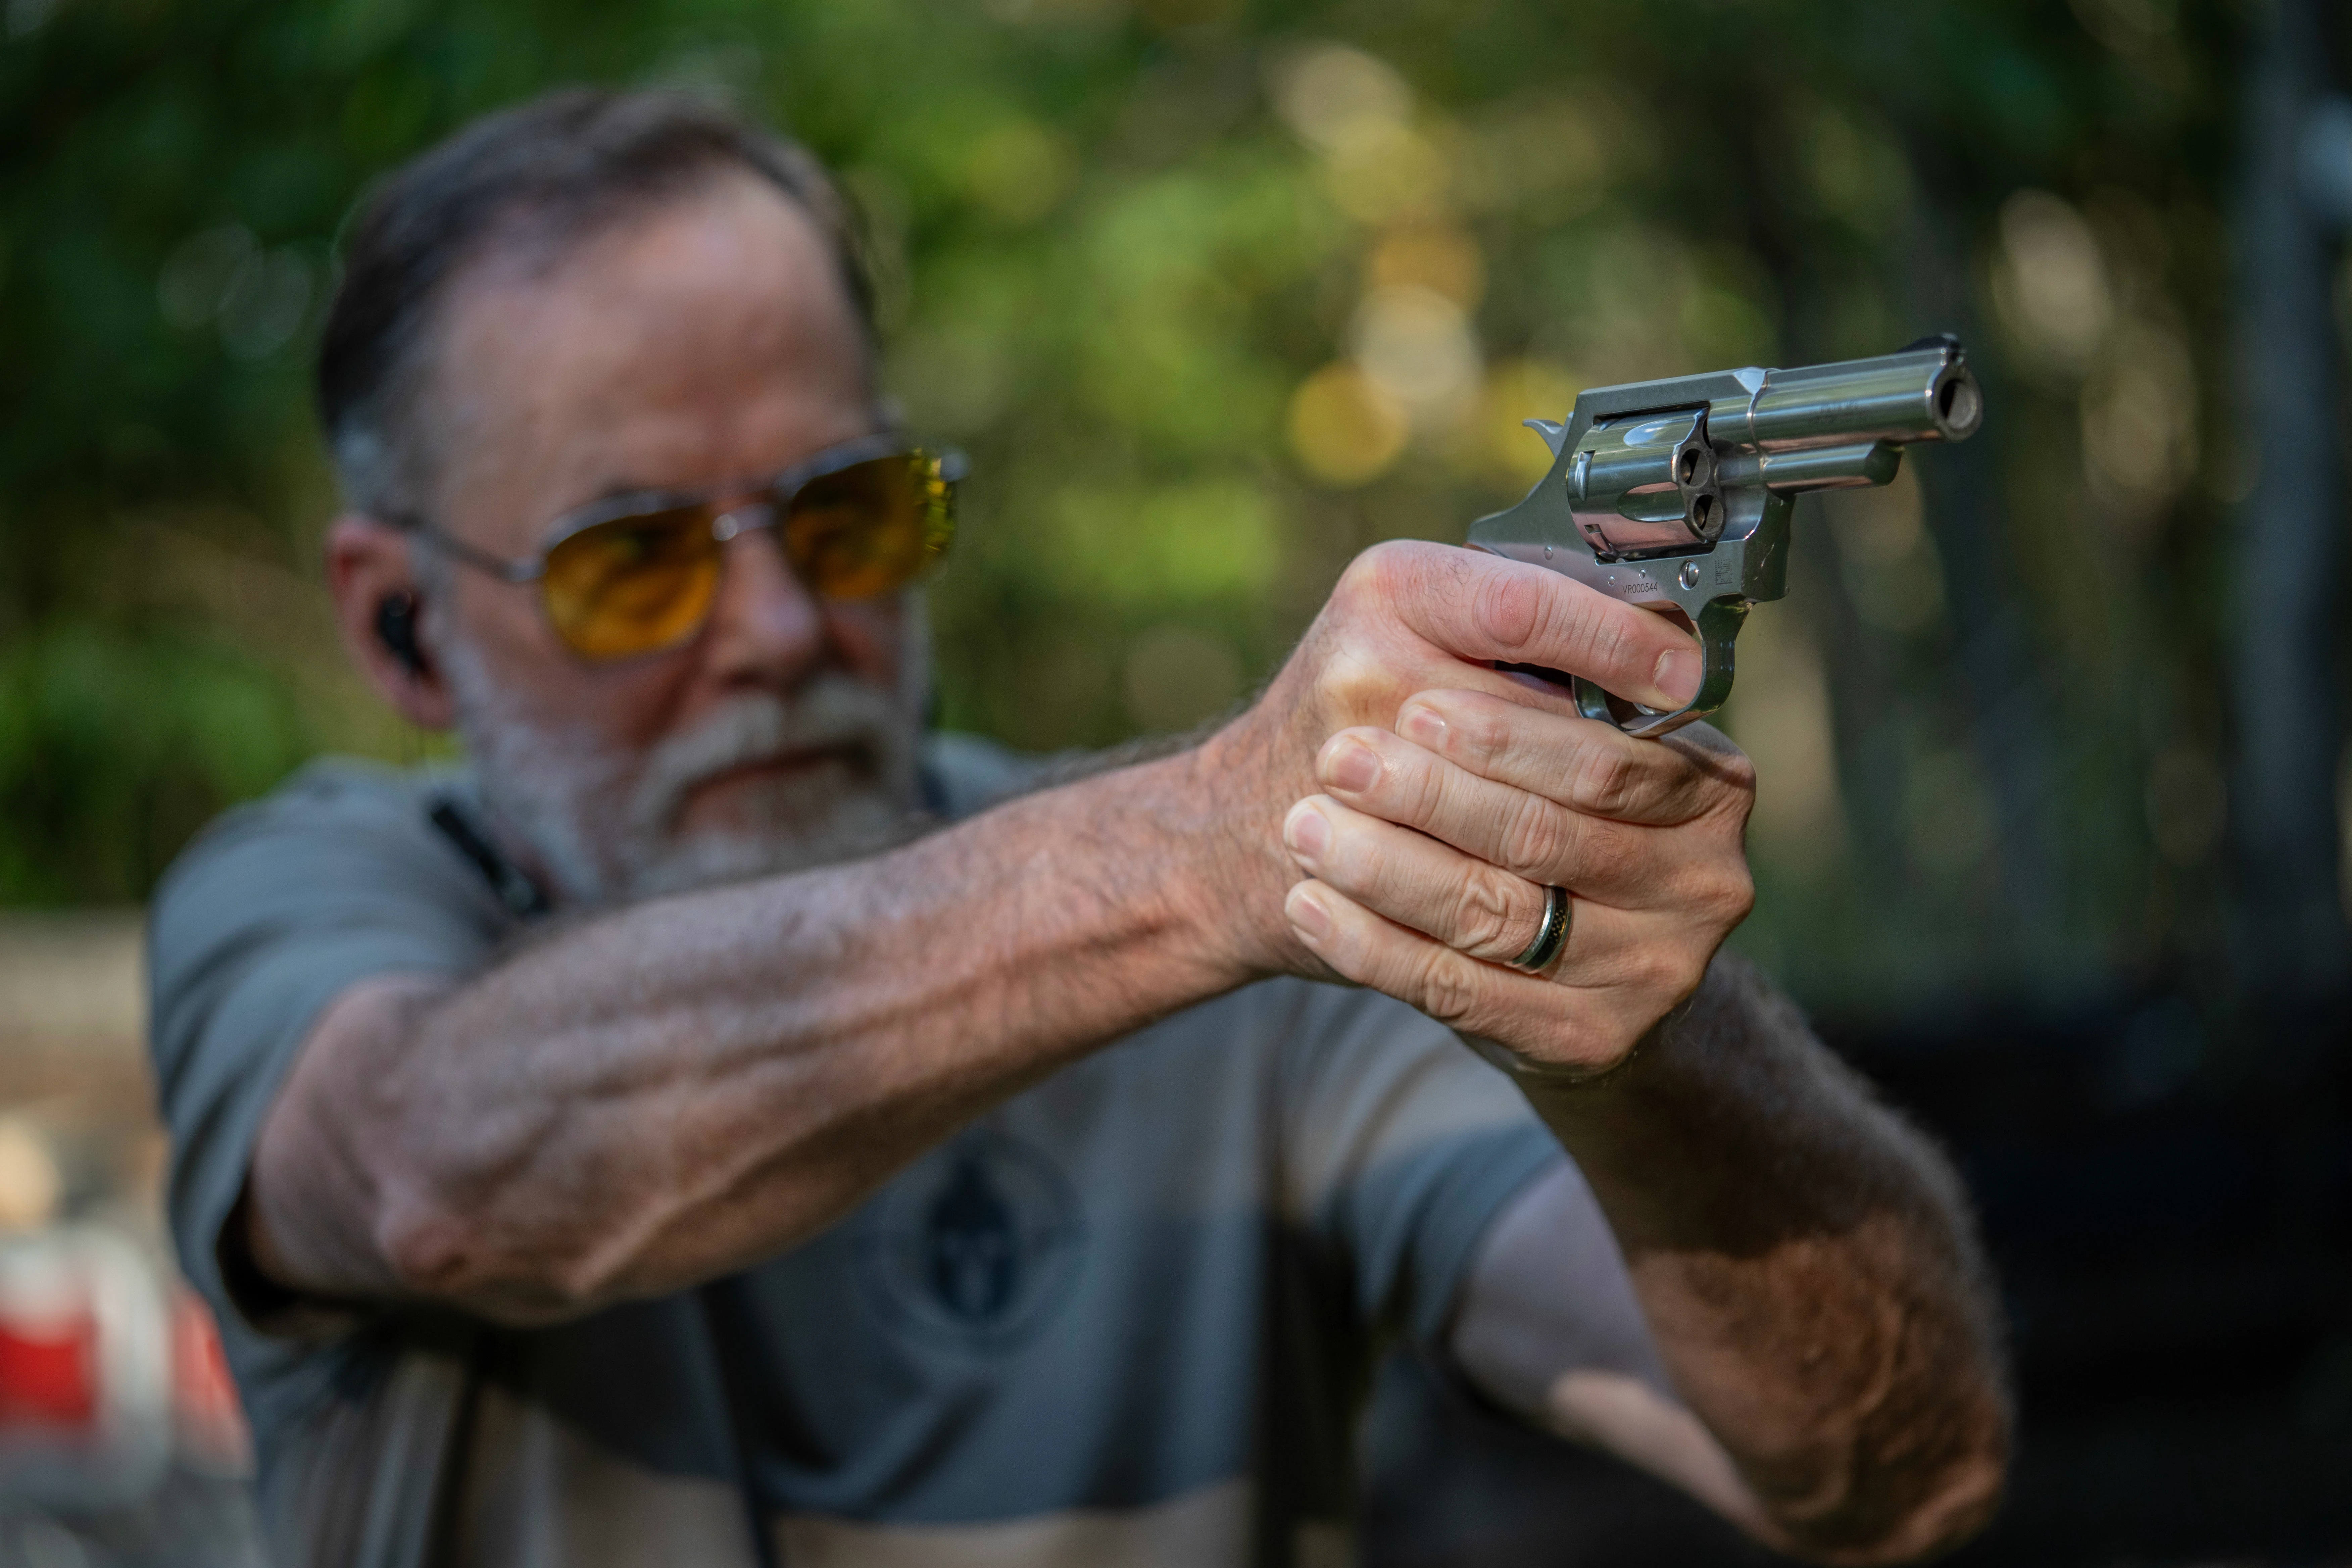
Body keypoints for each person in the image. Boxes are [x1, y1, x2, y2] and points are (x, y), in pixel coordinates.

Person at [147, 88, 2009, 1568]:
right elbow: (435, 1176)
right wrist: (1203, 852)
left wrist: (1620, 1000)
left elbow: (1891, 1477)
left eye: (849, 517)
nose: (785, 633)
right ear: (397, 621)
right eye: (634, 569)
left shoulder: (1296, 899)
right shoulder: (314, 895)